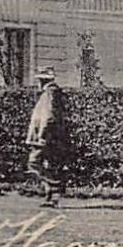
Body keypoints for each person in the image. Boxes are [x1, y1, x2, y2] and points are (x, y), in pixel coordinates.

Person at [25, 67, 70, 208]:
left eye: (39, 80)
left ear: (43, 80)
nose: (37, 82)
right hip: (50, 135)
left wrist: (42, 135)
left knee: (33, 163)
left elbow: (48, 116)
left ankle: (55, 185)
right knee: (48, 165)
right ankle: (51, 197)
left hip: (44, 136)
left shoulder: (50, 94)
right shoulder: (51, 93)